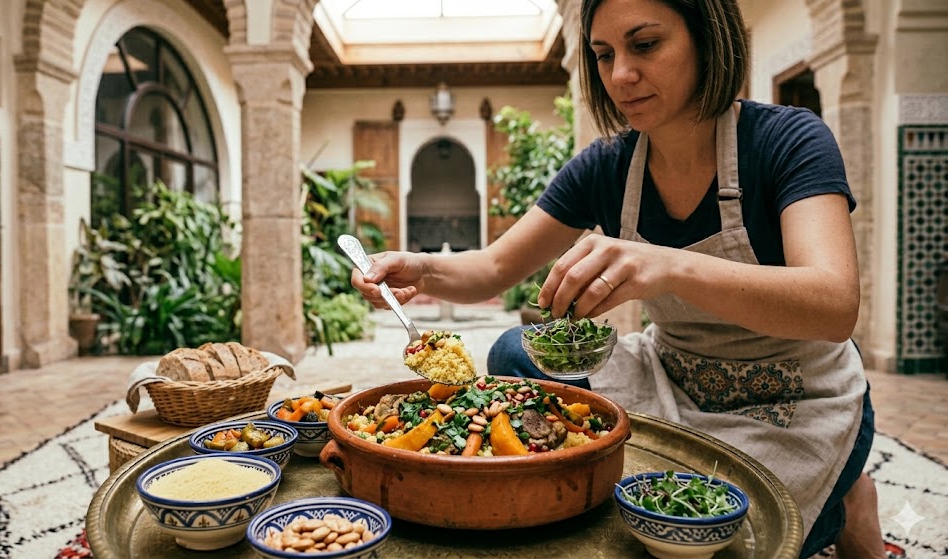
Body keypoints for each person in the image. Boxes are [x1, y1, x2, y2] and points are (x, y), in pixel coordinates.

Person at [349, 0, 884, 556]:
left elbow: (833, 305)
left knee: (732, 538)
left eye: (645, 45)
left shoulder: (787, 140)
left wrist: (669, 264)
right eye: (604, 55)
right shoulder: (608, 165)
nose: (620, 75)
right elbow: (493, 268)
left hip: (796, 395)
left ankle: (849, 494)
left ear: (707, 38)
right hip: (672, 378)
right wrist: (420, 267)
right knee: (516, 353)